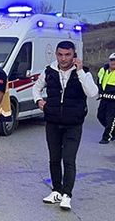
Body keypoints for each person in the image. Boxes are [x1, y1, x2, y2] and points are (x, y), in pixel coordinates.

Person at [33, 41, 98, 210]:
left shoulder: (83, 73)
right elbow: (36, 88)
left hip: (73, 123)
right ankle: (56, 190)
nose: (63, 58)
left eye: (67, 55)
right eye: (60, 54)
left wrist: (80, 71)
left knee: (69, 159)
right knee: (54, 159)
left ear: (74, 55)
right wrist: (39, 101)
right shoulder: (49, 71)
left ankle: (67, 194)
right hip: (53, 122)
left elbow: (92, 93)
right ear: (56, 54)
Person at [96, 52, 115, 144]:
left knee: (110, 119)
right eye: (112, 60)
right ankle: (113, 131)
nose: (113, 62)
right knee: (100, 116)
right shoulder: (103, 70)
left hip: (113, 101)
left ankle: (106, 137)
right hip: (104, 99)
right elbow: (99, 81)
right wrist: (100, 91)